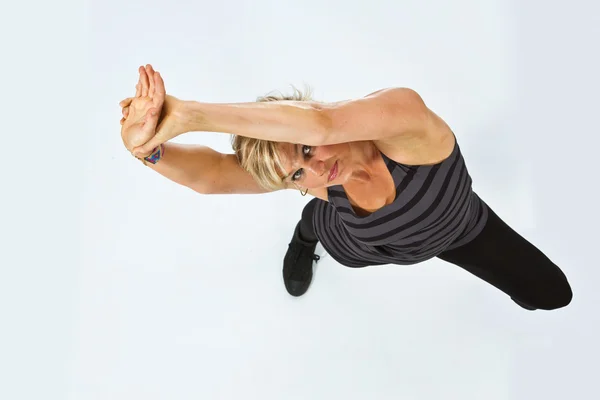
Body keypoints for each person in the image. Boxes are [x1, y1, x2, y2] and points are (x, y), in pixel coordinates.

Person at [120, 64, 573, 311]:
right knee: (316, 220)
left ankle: (309, 227)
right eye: (296, 175)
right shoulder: (320, 185)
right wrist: (146, 151)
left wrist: (193, 115)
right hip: (354, 242)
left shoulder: (406, 125)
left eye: (304, 149)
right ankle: (305, 236)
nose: (316, 169)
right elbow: (215, 175)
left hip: (460, 230)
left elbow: (325, 123)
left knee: (551, 295)